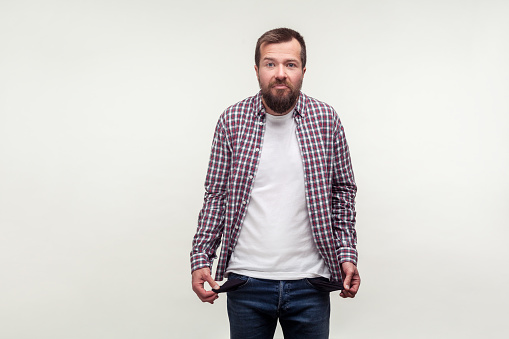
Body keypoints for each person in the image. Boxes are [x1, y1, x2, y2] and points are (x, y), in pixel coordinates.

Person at [190, 27, 360, 339]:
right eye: (270, 64)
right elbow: (216, 195)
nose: (280, 73)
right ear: (256, 70)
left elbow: (343, 191)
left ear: (303, 71)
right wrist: (201, 258)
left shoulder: (326, 119)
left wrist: (347, 253)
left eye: (290, 65)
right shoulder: (232, 120)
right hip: (246, 282)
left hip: (311, 281)